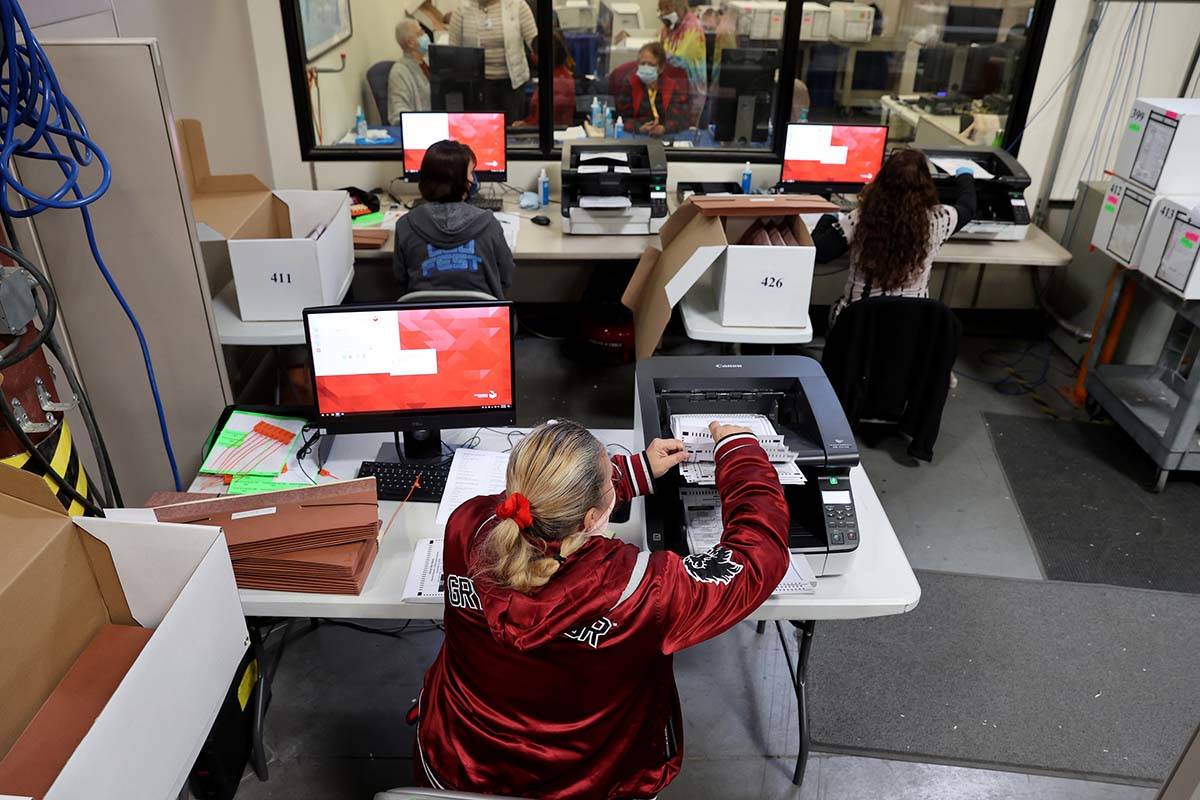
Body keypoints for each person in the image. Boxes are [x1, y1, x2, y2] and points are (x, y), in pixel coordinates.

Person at [411, 420, 789, 798]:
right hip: (593, 782)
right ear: (592, 518)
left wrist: (636, 470)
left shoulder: (468, 526)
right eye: (611, 478)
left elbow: (542, 508)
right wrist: (739, 449)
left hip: (457, 766)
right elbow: (759, 556)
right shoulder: (642, 589)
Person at [814, 148, 976, 325]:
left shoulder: (861, 218)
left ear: (881, 181)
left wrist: (828, 216)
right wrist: (965, 177)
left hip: (858, 325)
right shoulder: (941, 218)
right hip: (911, 327)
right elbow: (968, 207)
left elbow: (820, 251)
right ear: (927, 184)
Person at [393, 140, 514, 298]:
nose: (474, 179)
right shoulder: (489, 224)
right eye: (471, 173)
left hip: (423, 320)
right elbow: (506, 277)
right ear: (463, 182)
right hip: (482, 320)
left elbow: (401, 279)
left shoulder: (405, 225)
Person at [449, 0, 537, 121]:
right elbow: (452, 51)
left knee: (512, 132)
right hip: (477, 87)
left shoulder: (517, 5)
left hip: (512, 85)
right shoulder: (461, 10)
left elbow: (535, 42)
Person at [612, 42, 690, 136]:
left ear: (661, 68)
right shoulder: (630, 84)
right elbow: (620, 118)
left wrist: (664, 128)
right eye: (643, 63)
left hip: (664, 138)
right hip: (637, 136)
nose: (646, 67)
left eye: (651, 64)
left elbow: (681, 119)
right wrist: (639, 128)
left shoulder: (671, 87)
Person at [657, 0, 706, 127]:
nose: (662, 13)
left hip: (690, 96)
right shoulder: (670, 27)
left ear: (678, 8)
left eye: (666, 9)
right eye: (661, 9)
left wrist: (657, 54)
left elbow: (678, 61)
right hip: (669, 92)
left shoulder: (693, 28)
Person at [513, 31, 575, 127]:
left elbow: (541, 123)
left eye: (535, 53)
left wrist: (523, 125)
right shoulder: (558, 75)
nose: (532, 56)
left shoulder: (556, 83)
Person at [387, 20, 432, 124]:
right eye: (421, 33)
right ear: (410, 43)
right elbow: (398, 115)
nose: (426, 36)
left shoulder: (427, 62)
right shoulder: (399, 72)